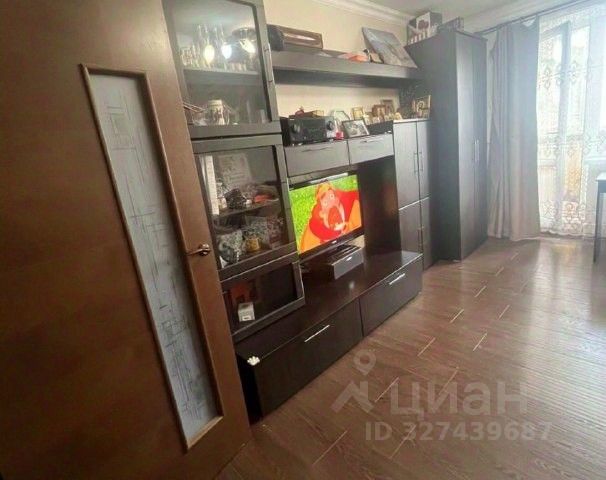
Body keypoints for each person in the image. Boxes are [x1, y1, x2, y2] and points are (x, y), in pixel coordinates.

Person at [299, 182, 362, 252]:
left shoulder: (356, 205)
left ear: (337, 199)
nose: (331, 203)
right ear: (321, 213)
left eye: (331, 197)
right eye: (325, 203)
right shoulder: (311, 236)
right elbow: (307, 252)